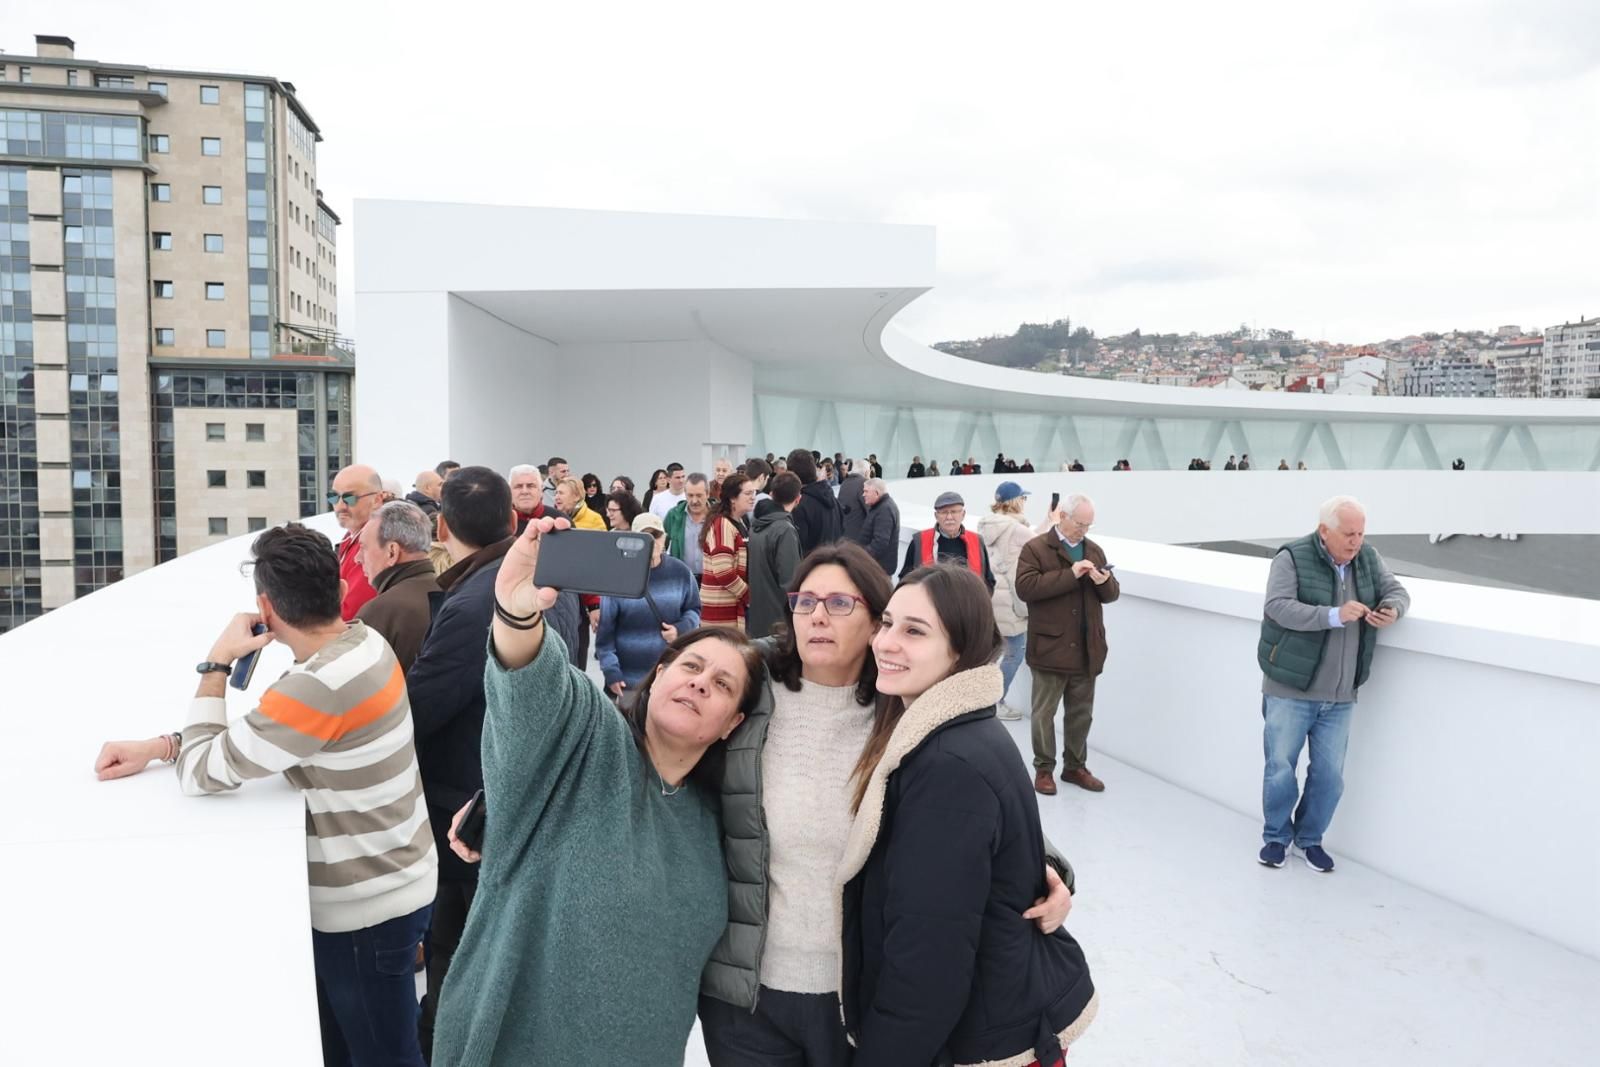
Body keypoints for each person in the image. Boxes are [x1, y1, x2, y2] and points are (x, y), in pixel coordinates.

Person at [699, 542, 1075, 1066]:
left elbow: (972, 809)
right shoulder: (744, 688)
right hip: (746, 998)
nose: (818, 617)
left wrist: (1048, 868)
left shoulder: (908, 709)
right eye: (804, 602)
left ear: (874, 619)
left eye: (840, 603)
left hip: (855, 999)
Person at [430, 514, 770, 1064]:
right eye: (691, 665)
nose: (701, 682)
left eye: (723, 684)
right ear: (657, 676)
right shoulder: (591, 740)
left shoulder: (715, 819)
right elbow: (533, 684)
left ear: (733, 722)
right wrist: (516, 612)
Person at [94, 523, 437, 1067]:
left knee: (382, 1057)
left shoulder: (314, 687)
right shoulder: (363, 643)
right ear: (340, 589)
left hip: (365, 911)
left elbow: (204, 771)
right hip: (400, 877)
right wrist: (164, 745)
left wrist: (216, 662)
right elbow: (271, 737)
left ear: (265, 606)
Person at [838, 563, 1098, 1066]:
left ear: (960, 649)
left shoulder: (946, 764)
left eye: (915, 631)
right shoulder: (959, 730)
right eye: (887, 623)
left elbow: (928, 959)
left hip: (974, 1041)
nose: (887, 642)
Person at [402, 466, 520, 1053]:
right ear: (514, 518)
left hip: (469, 808)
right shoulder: (532, 577)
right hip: (504, 793)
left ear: (441, 526)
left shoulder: (475, 600)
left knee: (457, 950)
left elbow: (420, 706)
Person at [1257, 496, 1409, 873]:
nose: (1356, 541)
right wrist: (1333, 616)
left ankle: (1310, 840)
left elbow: (1398, 590)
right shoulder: (1290, 557)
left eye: (1361, 533)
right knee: (1280, 769)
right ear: (1325, 531)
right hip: (1290, 688)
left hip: (1341, 695)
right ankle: (1276, 838)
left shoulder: (1368, 559)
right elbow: (1277, 606)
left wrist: (1393, 609)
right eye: (1348, 534)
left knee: (1330, 777)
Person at [1016, 493, 1119, 795]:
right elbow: (1026, 588)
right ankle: (1043, 768)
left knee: (1081, 713)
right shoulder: (1035, 548)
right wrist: (1070, 574)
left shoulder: (1095, 550)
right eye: (1079, 524)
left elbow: (1111, 594)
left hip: (1087, 648)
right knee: (1043, 713)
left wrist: (1104, 582)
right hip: (1050, 647)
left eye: (1088, 525)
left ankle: (1075, 766)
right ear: (1063, 517)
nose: (1083, 530)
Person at [596, 512, 703, 696]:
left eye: (656, 535)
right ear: (633, 540)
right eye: (645, 537)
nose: (652, 541)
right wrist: (611, 672)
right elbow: (605, 635)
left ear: (664, 538)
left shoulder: (681, 572)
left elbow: (694, 609)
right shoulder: (618, 578)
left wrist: (681, 629)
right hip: (628, 683)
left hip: (671, 680)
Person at [976, 481, 1038, 721]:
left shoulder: (991, 525)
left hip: (994, 596)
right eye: (1023, 498)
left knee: (994, 653)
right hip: (1011, 601)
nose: (1025, 503)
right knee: (1014, 653)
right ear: (1016, 501)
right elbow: (1042, 544)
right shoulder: (1014, 528)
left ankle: (984, 700)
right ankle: (995, 702)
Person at [356, 500, 440, 673]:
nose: (358, 558)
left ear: (392, 552)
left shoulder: (380, 612)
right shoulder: (451, 593)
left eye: (363, 547)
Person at [899, 490, 995, 592]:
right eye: (944, 512)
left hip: (968, 603)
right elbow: (905, 578)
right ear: (936, 516)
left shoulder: (976, 541)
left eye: (954, 512)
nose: (949, 517)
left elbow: (988, 580)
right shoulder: (919, 541)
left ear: (963, 514)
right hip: (930, 603)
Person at [745, 472, 803, 639]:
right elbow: (790, 580)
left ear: (771, 494)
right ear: (798, 498)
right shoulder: (784, 529)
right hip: (779, 621)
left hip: (757, 616)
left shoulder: (756, 526)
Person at [328, 463, 384, 620]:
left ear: (377, 499)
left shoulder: (375, 543)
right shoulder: (351, 537)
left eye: (349, 498)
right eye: (333, 497)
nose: (339, 506)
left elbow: (351, 614)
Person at [699, 474, 754, 629]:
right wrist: (748, 596)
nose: (752, 497)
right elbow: (723, 571)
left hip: (732, 607)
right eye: (748, 494)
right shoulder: (722, 525)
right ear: (732, 498)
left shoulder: (741, 522)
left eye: (753, 493)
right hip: (721, 611)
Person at [788, 448, 843, 555]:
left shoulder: (799, 505)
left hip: (812, 566)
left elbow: (798, 546)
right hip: (833, 563)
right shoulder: (834, 500)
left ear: (792, 473)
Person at [665, 472, 711, 576]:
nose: (694, 501)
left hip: (711, 582)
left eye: (699, 495)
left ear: (708, 494)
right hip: (682, 579)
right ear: (685, 494)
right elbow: (661, 546)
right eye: (690, 495)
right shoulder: (673, 516)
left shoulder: (718, 517)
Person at [856, 477, 900, 577]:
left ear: (876, 493)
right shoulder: (880, 507)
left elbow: (880, 543)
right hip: (875, 567)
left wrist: (860, 556)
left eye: (866, 491)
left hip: (878, 569)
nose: (863, 495)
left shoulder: (885, 510)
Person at [837, 459, 868, 544]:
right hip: (858, 536)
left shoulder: (845, 483)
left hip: (844, 533)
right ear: (866, 472)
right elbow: (870, 510)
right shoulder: (863, 483)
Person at [508, 464, 547, 532]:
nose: (525, 491)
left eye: (530, 486)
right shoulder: (498, 522)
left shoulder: (559, 520)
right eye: (518, 486)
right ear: (509, 491)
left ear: (541, 490)